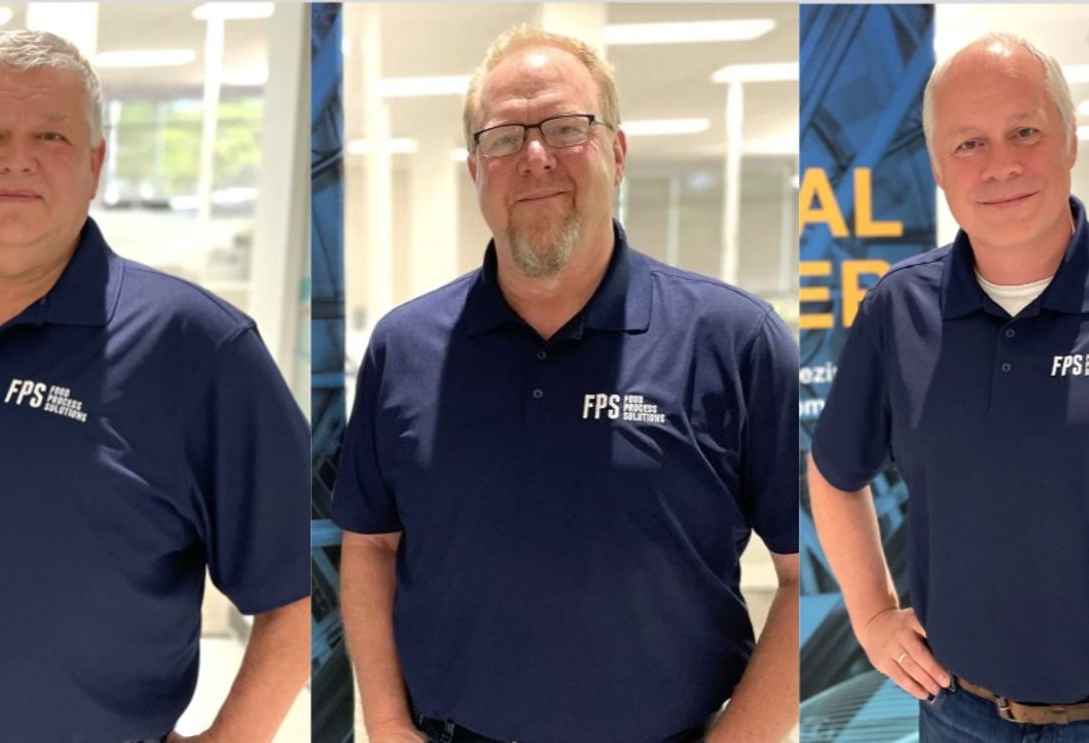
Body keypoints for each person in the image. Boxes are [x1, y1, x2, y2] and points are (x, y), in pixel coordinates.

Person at [333, 25, 798, 743]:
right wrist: (388, 721)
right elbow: (369, 546)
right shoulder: (405, 349)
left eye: (565, 127)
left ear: (616, 150)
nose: (535, 156)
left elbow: (811, 575)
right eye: (504, 137)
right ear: (475, 169)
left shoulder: (734, 342)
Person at [0, 30, 311, 743]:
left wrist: (234, 736)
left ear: (95, 165)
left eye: (52, 135)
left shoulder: (196, 349)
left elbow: (306, 580)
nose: (17, 157)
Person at [809, 32, 1089, 742]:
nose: (1000, 165)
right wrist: (874, 615)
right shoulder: (898, 311)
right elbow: (832, 474)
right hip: (959, 716)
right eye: (968, 144)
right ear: (939, 169)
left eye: (1025, 131)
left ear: (1069, 140)